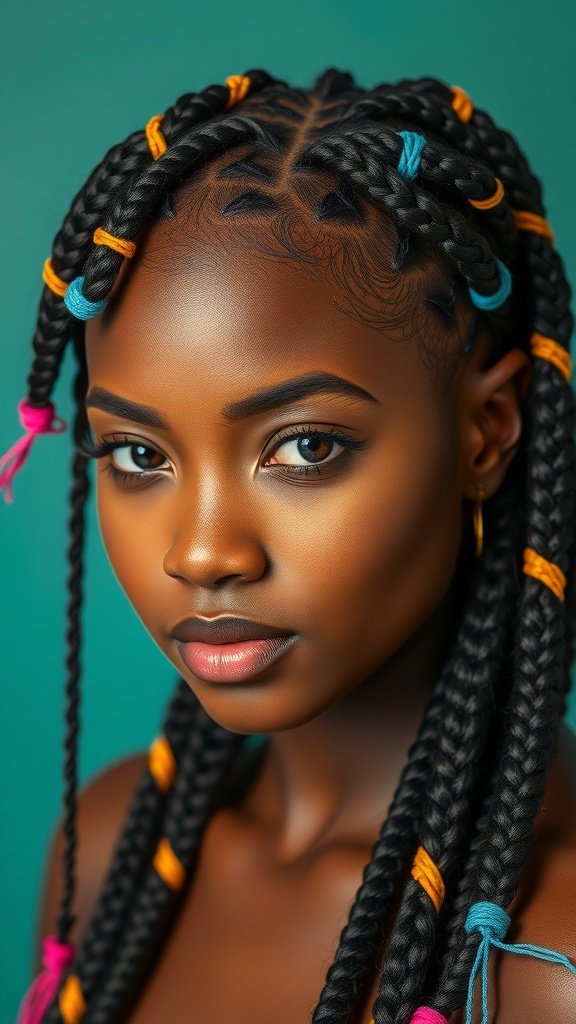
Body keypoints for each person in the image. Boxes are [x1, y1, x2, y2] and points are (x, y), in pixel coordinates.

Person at [2, 67, 576, 1024]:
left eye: (306, 447)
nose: (202, 551)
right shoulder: (107, 859)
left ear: (487, 431)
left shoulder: (541, 963)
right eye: (139, 453)